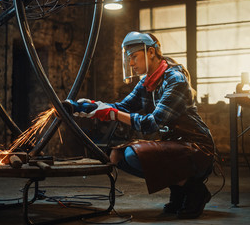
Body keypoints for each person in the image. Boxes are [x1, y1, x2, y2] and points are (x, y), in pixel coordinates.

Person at [75, 31, 215, 219]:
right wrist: (91, 106)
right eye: (129, 58)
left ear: (150, 52)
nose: (131, 63)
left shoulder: (175, 80)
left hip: (197, 148)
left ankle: (195, 190)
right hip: (175, 146)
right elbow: (122, 106)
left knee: (133, 155)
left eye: (134, 57)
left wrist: (113, 114)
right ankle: (179, 190)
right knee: (117, 156)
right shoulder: (148, 82)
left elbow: (151, 123)